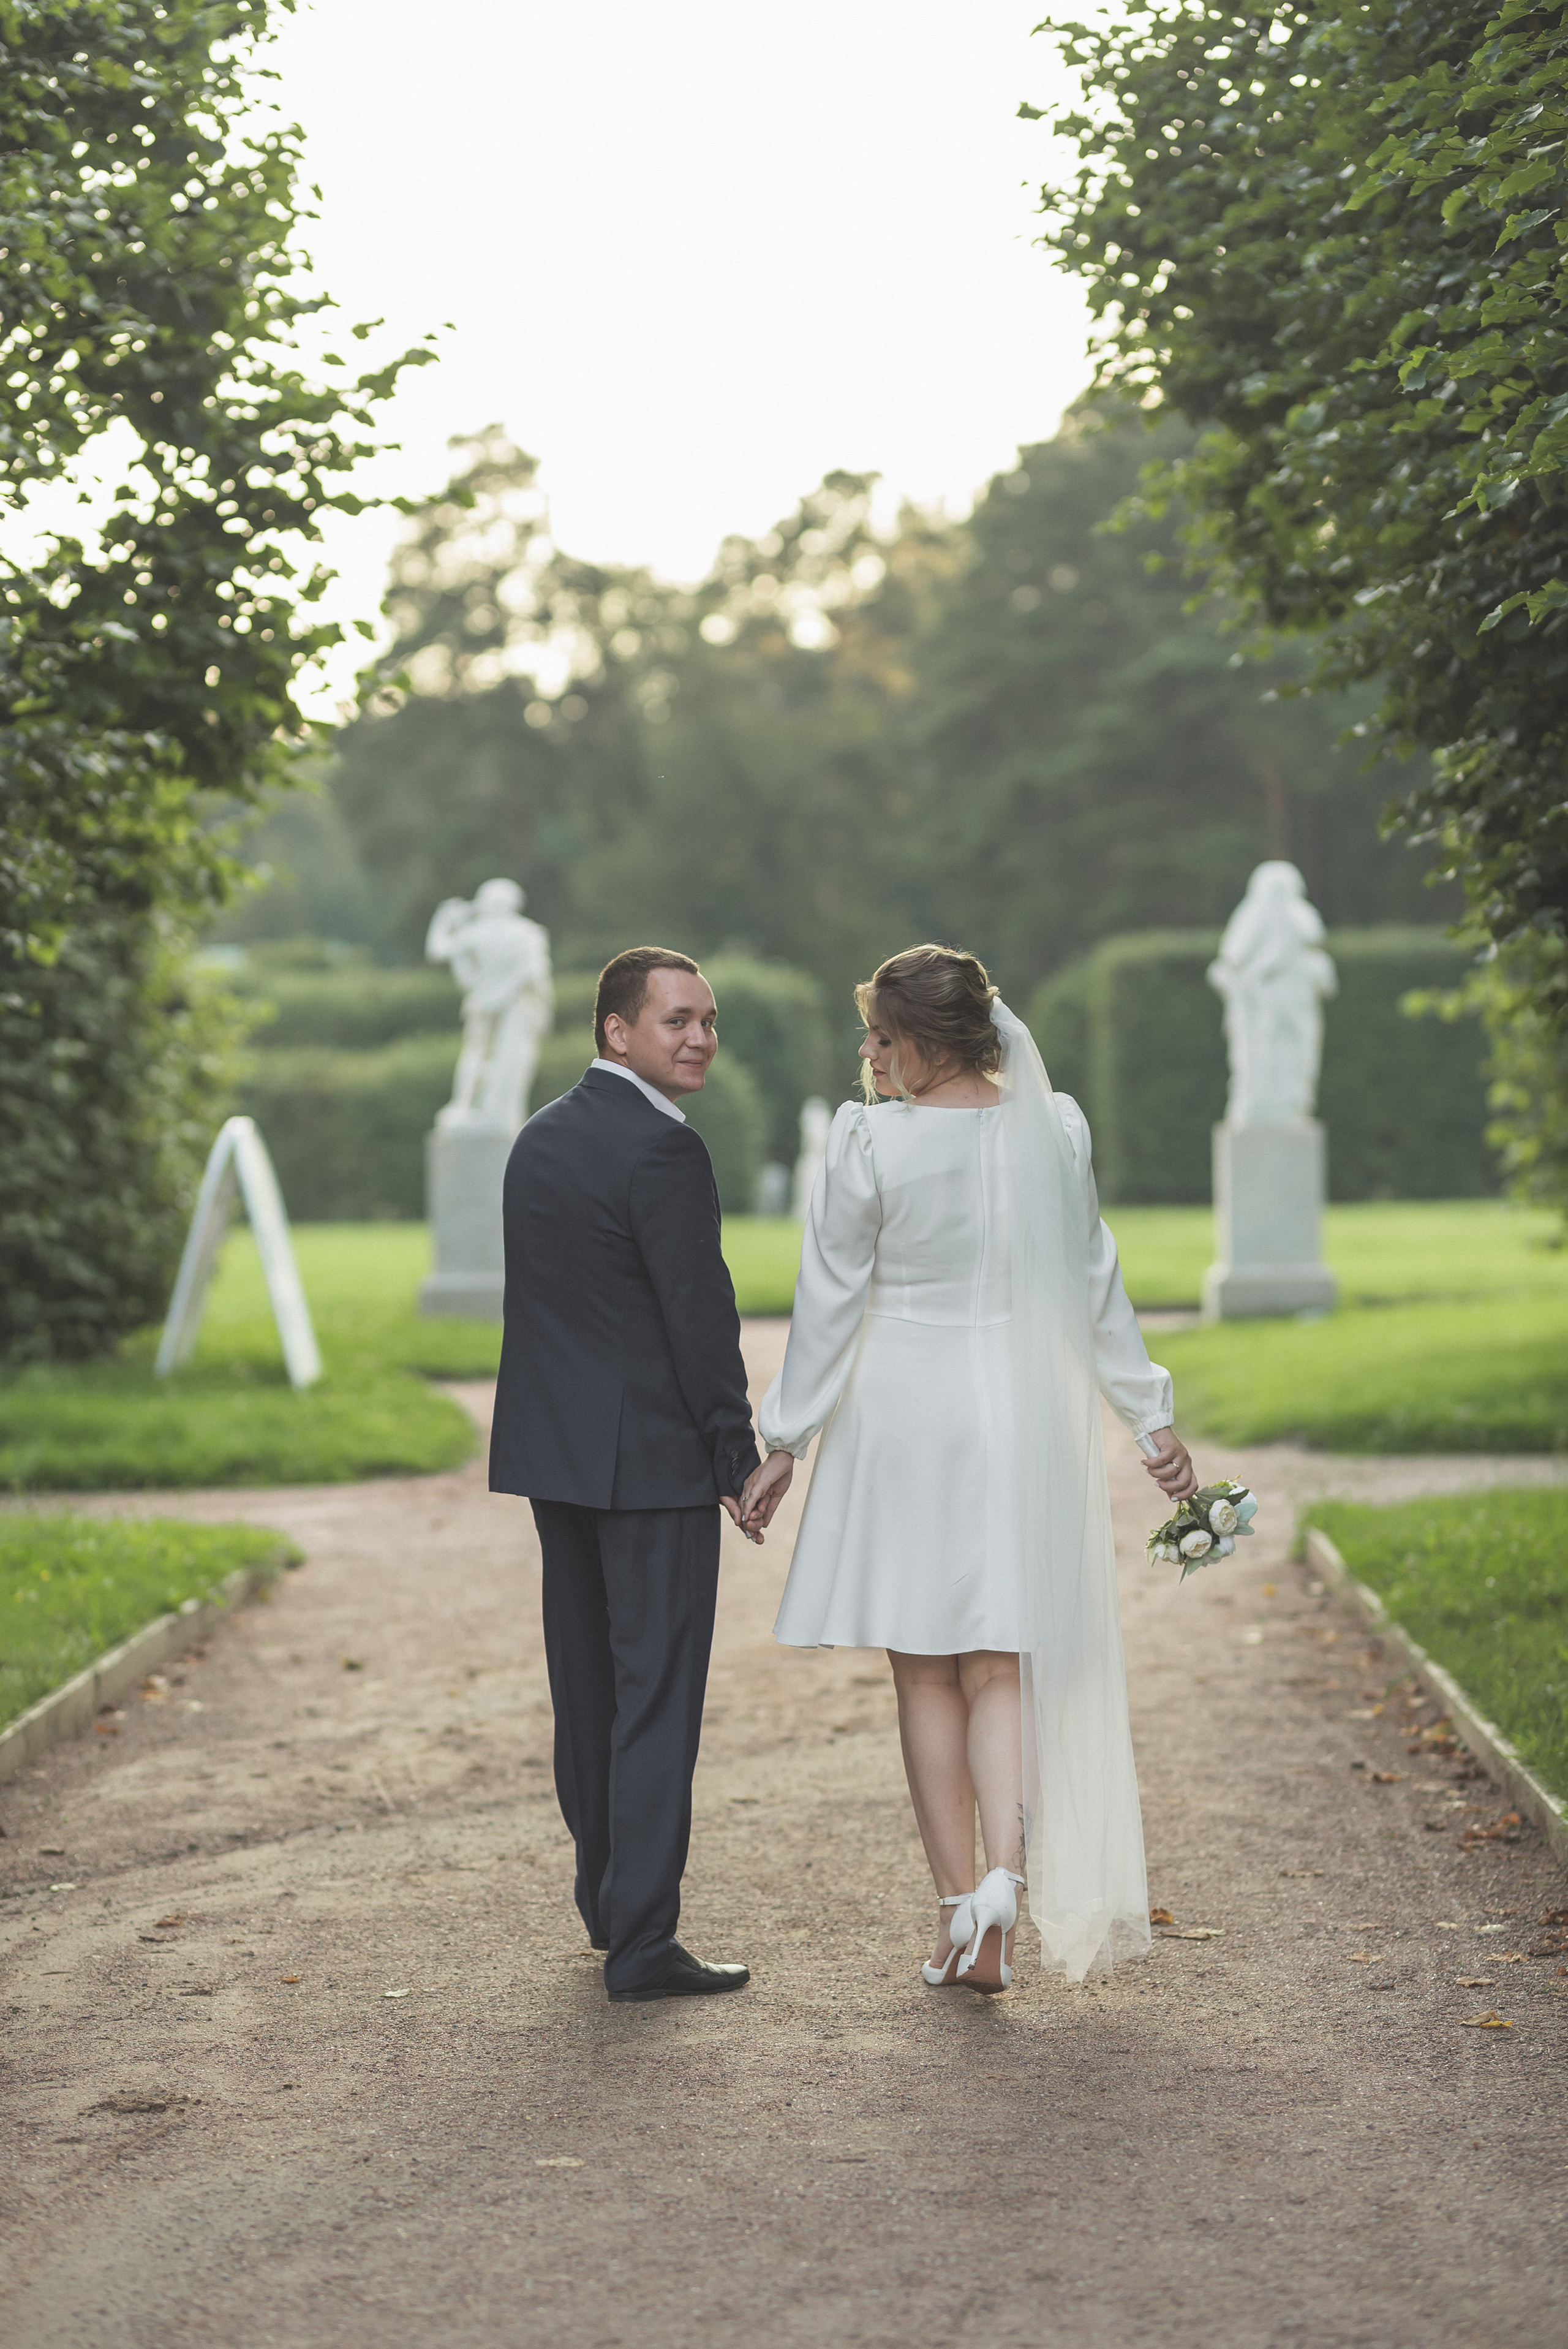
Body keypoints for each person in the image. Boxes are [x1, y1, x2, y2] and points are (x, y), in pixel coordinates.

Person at [740, 944, 1197, 1993]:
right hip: (1018, 1414)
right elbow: (1093, 1283)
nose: (870, 1055)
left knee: (925, 1669)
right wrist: (1148, 1417)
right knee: (1003, 1663)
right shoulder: (1056, 1127)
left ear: (922, 1043)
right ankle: (1005, 1878)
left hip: (905, 1415)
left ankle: (966, 1920)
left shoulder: (869, 1142)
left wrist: (785, 1440)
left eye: (881, 1037)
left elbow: (830, 1300)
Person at [490, 947, 761, 2002]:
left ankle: (611, 1904)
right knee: (655, 1698)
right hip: (650, 1467)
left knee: (590, 1692)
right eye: (676, 1021)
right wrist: (734, 1453)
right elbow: (699, 1320)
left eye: (707, 1020)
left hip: (558, 1462)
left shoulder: (538, 1140)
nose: (698, 1038)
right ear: (616, 1031)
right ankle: (643, 1944)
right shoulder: (663, 1151)